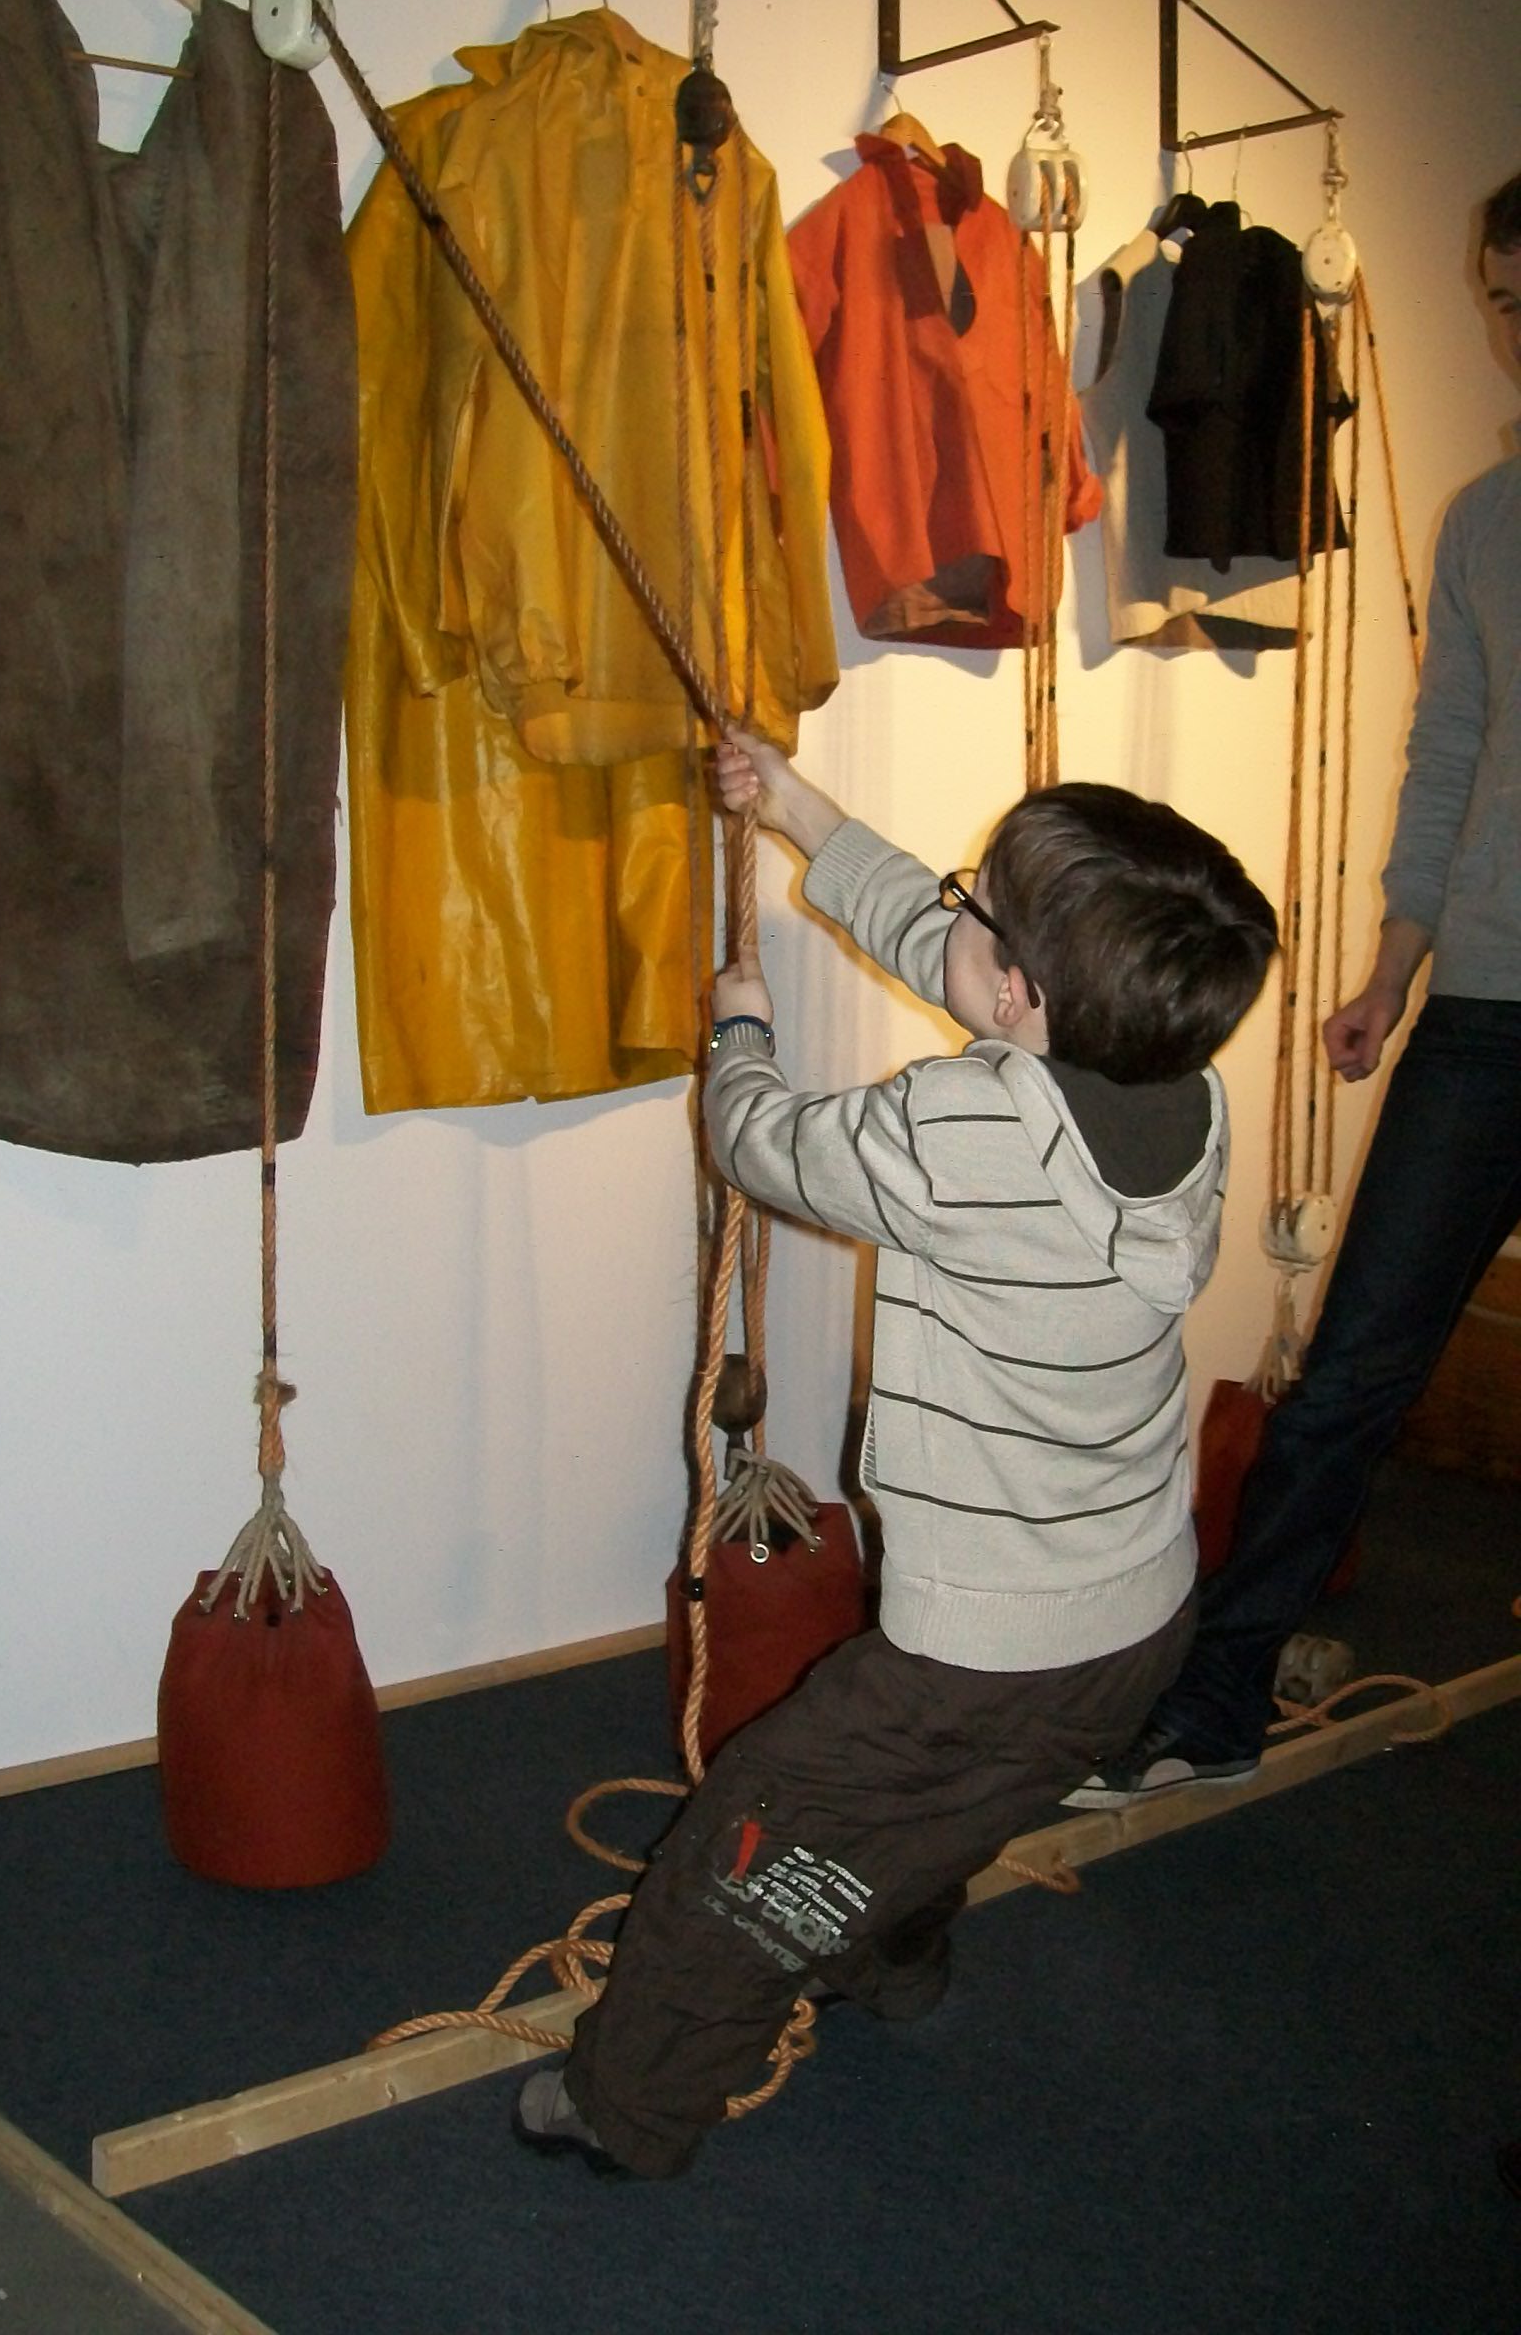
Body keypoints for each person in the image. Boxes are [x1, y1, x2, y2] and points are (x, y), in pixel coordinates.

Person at [513, 739, 1278, 2178]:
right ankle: (895, 1963)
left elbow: (762, 1144)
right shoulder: (1179, 1081)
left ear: (1022, 994)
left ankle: (626, 2109)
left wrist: (741, 1034)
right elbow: (950, 949)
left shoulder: (960, 1128)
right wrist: (797, 810)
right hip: (1136, 1620)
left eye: (975, 905)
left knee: (750, 1845)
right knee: (945, 1807)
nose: (951, 913)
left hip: (983, 1651)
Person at [1067, 169, 1521, 1808]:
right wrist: (1393, 968)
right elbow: (1448, 756)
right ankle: (1215, 1701)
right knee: (1349, 1375)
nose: (1514, 332)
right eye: (1502, 303)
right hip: (1485, 1011)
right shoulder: (1482, 525)